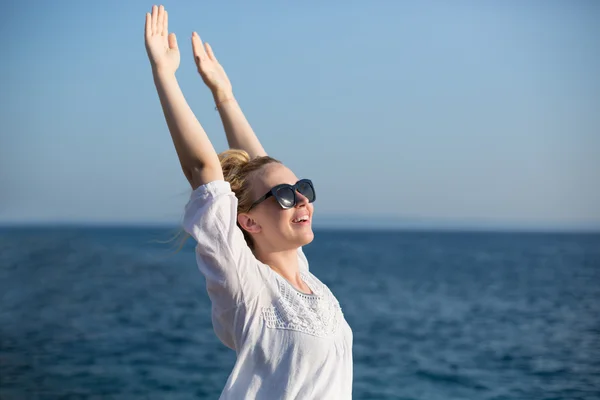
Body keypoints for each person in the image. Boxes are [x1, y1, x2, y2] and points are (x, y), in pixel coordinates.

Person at [144, 5, 353, 399]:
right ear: (248, 222)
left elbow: (266, 171)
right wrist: (164, 76)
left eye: (303, 189)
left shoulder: (305, 280)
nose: (301, 201)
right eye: (287, 198)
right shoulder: (247, 286)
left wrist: (225, 97)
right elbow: (203, 169)